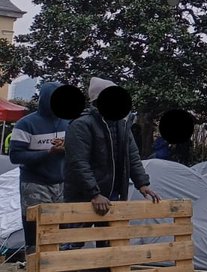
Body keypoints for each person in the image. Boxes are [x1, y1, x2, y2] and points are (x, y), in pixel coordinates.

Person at [64, 78, 160, 213]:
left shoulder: (122, 124)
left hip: (114, 194)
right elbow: (78, 163)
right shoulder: (81, 125)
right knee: (80, 233)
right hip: (84, 197)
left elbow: (132, 157)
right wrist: (94, 194)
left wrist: (142, 184)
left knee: (112, 233)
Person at [9, 81, 68, 272]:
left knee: (58, 231)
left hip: (60, 183)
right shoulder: (26, 124)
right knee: (34, 231)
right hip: (34, 183)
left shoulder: (67, 123)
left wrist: (66, 149)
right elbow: (16, 156)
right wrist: (47, 154)